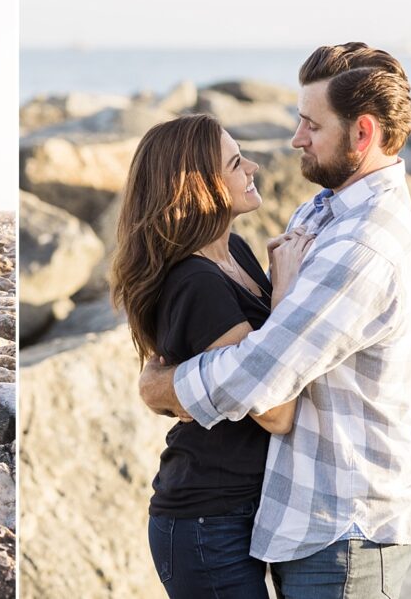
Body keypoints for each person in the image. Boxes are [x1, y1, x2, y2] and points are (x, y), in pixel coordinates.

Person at [139, 43, 411, 599]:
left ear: (362, 134)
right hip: (304, 517)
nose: (295, 138)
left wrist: (160, 384)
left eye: (310, 124)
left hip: (345, 522)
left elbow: (264, 379)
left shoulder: (363, 245)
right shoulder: (324, 210)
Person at [110, 114, 312, 598]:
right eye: (237, 162)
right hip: (206, 520)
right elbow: (277, 410)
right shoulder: (196, 282)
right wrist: (283, 292)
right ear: (200, 185)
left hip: (242, 508)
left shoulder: (236, 252)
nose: (255, 167)